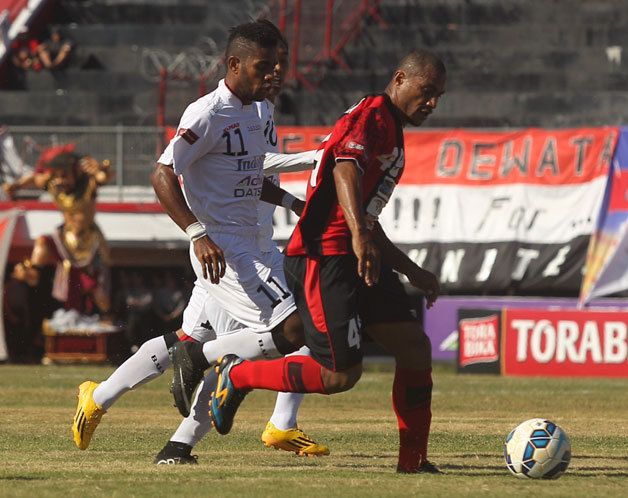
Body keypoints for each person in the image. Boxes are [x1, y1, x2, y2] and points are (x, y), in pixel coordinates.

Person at [70, 20, 324, 464]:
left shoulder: (262, 111)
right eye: (264, 66)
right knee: (292, 329)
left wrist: (292, 202)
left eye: (279, 65)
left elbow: (247, 176)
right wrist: (198, 233)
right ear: (234, 64)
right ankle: (273, 420)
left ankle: (113, 405)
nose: (275, 74)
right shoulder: (207, 113)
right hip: (224, 249)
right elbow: (162, 173)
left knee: (192, 337)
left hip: (256, 243)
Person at [204, 49, 446, 474]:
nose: (432, 103)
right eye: (426, 91)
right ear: (400, 78)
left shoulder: (392, 128)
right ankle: (238, 376)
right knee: (338, 376)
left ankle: (413, 462)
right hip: (324, 256)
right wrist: (356, 235)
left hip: (356, 253)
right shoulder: (372, 115)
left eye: (438, 96)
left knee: (414, 347)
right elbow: (344, 169)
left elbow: (367, 215)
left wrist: (411, 270)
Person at [3, 151, 114, 315]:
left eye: (65, 175)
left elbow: (104, 177)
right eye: (58, 175)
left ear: (75, 171)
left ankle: (107, 314)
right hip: (65, 237)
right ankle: (34, 271)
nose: (61, 180)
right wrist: (16, 186)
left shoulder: (89, 184)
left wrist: (101, 170)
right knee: (42, 241)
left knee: (96, 288)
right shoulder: (54, 184)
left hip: (88, 241)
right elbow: (34, 178)